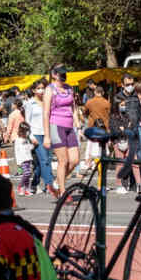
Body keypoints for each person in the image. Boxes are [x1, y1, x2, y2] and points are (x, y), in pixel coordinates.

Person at [42, 65, 79, 197]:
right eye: (60, 74)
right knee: (63, 161)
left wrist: (77, 124)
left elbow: (73, 107)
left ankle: (57, 183)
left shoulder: (69, 88)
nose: (64, 76)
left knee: (74, 160)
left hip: (70, 127)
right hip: (56, 126)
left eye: (65, 73)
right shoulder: (49, 90)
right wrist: (46, 136)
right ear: (54, 74)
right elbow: (46, 113)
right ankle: (63, 193)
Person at [112, 74, 141, 194]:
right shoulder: (117, 98)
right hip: (120, 135)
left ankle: (139, 184)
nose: (130, 86)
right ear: (122, 85)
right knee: (120, 161)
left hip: (133, 133)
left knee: (134, 161)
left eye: (132, 84)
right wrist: (119, 129)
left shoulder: (135, 97)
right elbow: (113, 116)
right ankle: (119, 185)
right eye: (127, 84)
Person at [23, 81, 53, 195]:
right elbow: (27, 122)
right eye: (39, 88)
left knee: (44, 161)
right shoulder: (30, 103)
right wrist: (30, 136)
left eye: (43, 88)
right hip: (35, 134)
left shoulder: (48, 102)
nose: (41, 90)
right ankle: (49, 185)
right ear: (34, 90)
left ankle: (34, 184)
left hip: (47, 134)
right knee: (44, 160)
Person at [14, 122, 36, 197]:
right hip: (22, 160)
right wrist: (18, 162)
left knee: (29, 174)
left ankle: (26, 189)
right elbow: (17, 151)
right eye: (25, 131)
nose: (27, 133)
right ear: (21, 131)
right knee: (26, 173)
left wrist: (33, 145)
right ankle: (21, 186)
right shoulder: (18, 140)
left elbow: (29, 148)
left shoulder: (26, 139)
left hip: (28, 159)